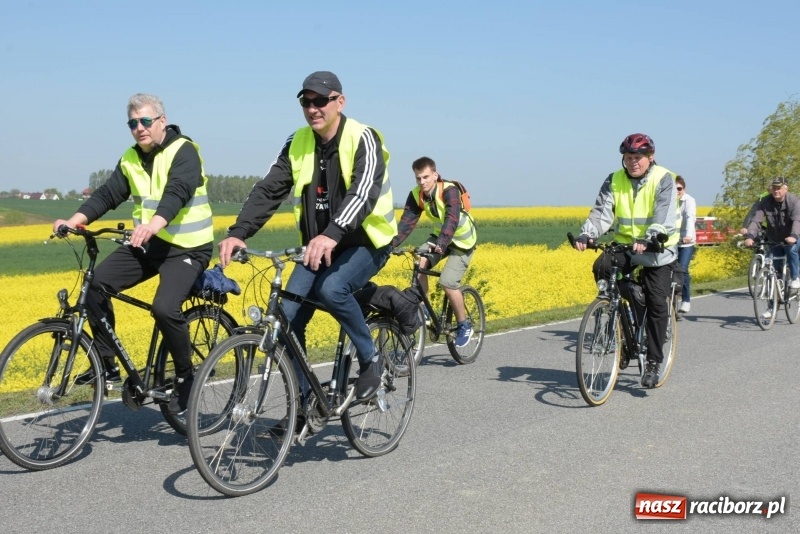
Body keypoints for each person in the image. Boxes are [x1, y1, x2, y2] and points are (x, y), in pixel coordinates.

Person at [218, 71, 395, 407]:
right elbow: (268, 190)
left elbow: (363, 192)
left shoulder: (363, 137)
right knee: (287, 317)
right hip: (320, 245)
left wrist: (332, 233)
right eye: (306, 102)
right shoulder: (297, 142)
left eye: (321, 101)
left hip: (367, 241)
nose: (313, 108)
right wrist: (239, 232)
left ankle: (371, 358)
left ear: (340, 102)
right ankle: (304, 406)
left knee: (332, 288)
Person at [53, 93, 214, 415]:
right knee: (95, 285)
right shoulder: (130, 158)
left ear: (162, 121)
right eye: (132, 123)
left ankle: (186, 376)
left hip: (187, 247)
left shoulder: (184, 151)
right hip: (148, 244)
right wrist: (74, 221)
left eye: (145, 121)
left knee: (164, 308)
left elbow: (178, 192)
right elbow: (108, 194)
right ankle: (107, 364)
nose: (139, 128)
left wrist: (153, 224)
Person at [573, 133, 680, 388]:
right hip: (626, 245)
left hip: (658, 248)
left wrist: (651, 237)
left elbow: (663, 213)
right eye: (629, 157)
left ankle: (653, 361)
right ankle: (621, 331)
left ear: (650, 157)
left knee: (656, 302)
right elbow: (601, 212)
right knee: (602, 267)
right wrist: (588, 234)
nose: (633, 162)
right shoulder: (614, 179)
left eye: (638, 157)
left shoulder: (664, 178)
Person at [391, 157, 477, 347]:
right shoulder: (417, 195)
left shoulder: (449, 190)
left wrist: (442, 243)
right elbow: (406, 223)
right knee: (419, 263)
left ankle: (464, 325)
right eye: (418, 178)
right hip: (440, 237)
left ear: (435, 175)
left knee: (448, 282)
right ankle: (425, 311)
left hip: (462, 241)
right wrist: (390, 245)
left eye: (426, 177)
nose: (422, 182)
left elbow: (452, 218)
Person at [743, 177, 800, 317]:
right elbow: (756, 221)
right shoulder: (765, 202)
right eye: (774, 188)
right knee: (772, 273)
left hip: (792, 236)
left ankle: (795, 278)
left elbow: (797, 221)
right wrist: (750, 236)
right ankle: (771, 307)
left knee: (792, 250)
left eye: (779, 188)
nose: (776, 191)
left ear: (786, 189)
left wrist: (793, 236)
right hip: (774, 238)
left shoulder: (794, 201)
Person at [675, 176, 696, 313]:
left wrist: (687, 235)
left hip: (686, 241)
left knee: (682, 269)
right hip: (671, 240)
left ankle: (685, 300)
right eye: (674, 189)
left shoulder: (689, 201)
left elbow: (689, 217)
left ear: (684, 189)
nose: (677, 191)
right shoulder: (668, 200)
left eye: (679, 188)